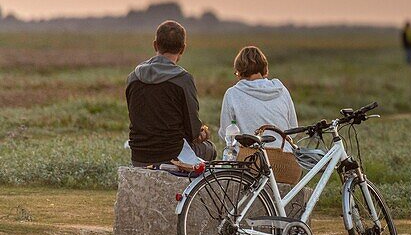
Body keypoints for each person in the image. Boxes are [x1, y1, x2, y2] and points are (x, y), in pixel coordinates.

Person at [126, 20, 215, 167]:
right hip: (172, 154)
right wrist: (201, 133)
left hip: (139, 155)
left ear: (155, 45)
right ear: (183, 48)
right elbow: (192, 130)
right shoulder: (183, 79)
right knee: (210, 149)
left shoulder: (133, 77)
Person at [219, 45, 300, 183]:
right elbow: (293, 129)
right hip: (284, 163)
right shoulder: (281, 90)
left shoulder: (232, 93)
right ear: (264, 69)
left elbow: (225, 135)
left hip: (250, 163)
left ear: (239, 71)